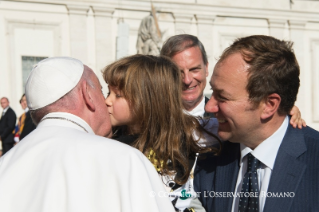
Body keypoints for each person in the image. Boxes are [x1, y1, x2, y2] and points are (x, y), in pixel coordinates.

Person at [0, 57, 175, 212]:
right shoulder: (125, 159)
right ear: (87, 94)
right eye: (102, 90)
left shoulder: (5, 165)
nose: (106, 101)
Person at [194, 35, 319, 212]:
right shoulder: (210, 159)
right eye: (212, 91)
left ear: (269, 105)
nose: (210, 105)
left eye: (222, 97)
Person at [103, 54, 220, 212]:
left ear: (148, 99)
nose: (107, 101)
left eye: (117, 95)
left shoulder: (188, 130)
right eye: (108, 92)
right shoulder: (108, 143)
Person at [160, 34, 305, 128]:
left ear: (206, 68)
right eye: (177, 72)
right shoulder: (151, 118)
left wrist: (282, 113)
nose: (187, 80)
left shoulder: (226, 118)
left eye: (194, 70)